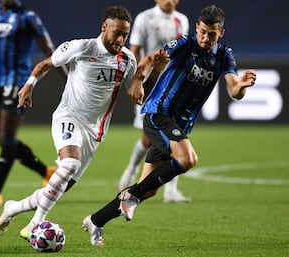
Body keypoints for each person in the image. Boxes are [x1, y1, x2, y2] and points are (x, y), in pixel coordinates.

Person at [82, 5, 257, 245]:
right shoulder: (185, 44)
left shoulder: (225, 55)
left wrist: (242, 86)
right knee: (188, 159)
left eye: (212, 34)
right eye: (203, 32)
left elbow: (234, 90)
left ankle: (96, 220)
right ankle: (130, 197)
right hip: (159, 114)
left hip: (180, 125)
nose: (206, 38)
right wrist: (139, 80)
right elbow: (152, 58)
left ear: (221, 33)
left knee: (148, 188)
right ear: (197, 28)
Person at [0, 5, 140, 241]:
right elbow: (45, 65)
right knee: (70, 164)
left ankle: (13, 208)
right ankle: (34, 224)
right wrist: (29, 85)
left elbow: (135, 90)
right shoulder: (82, 47)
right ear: (104, 27)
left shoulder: (128, 60)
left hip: (95, 132)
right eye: (117, 32)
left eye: (125, 35)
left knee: (58, 188)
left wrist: (142, 80)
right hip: (68, 116)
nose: (120, 39)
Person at [0, 0, 65, 207]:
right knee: (3, 141)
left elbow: (48, 48)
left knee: (8, 139)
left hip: (17, 81)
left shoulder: (28, 17)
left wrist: (66, 77)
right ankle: (46, 172)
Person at [119, 0, 192, 203]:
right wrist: (135, 79)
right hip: (150, 85)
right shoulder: (145, 18)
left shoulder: (182, 21)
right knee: (149, 139)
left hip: (174, 87)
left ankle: (171, 190)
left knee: (175, 133)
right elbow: (134, 50)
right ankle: (132, 169)